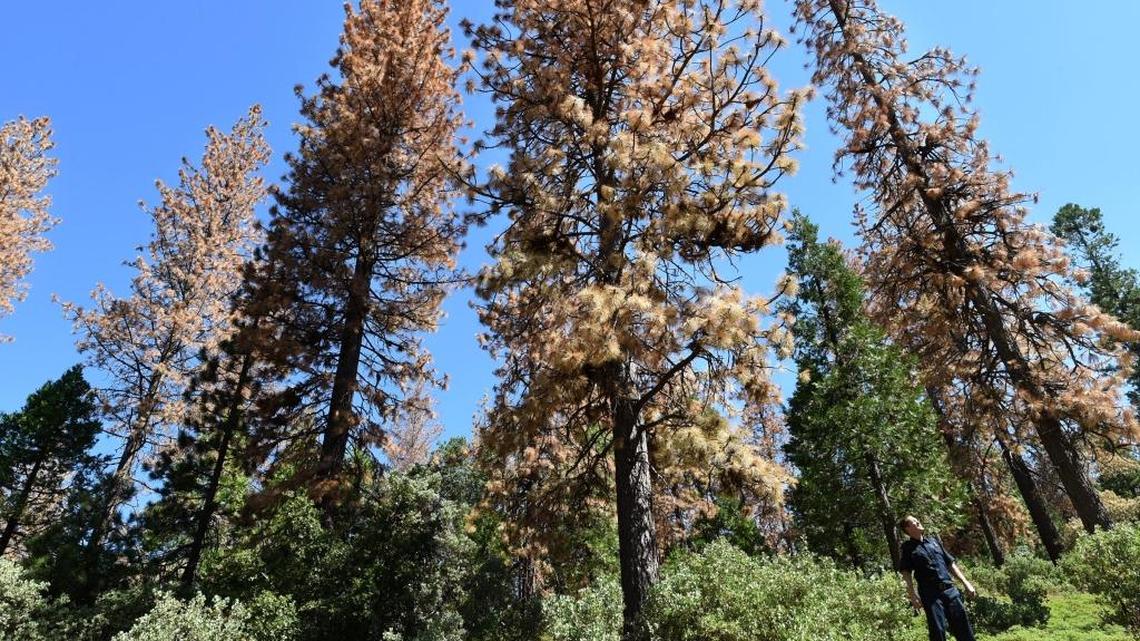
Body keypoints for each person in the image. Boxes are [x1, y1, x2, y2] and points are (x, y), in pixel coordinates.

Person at [898, 515, 978, 641]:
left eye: (917, 519)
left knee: (963, 628)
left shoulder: (934, 542)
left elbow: (950, 563)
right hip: (931, 595)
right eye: (914, 521)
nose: (918, 521)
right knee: (938, 631)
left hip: (950, 590)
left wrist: (966, 583)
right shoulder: (907, 548)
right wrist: (912, 595)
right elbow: (906, 572)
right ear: (907, 528)